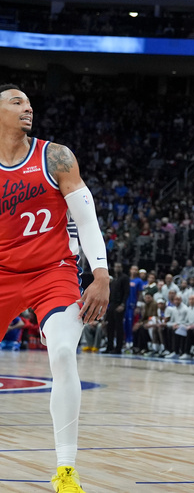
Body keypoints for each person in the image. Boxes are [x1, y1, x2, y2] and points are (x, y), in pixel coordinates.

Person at [0, 84, 111, 493]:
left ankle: (66, 470)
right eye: (16, 103)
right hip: (2, 272)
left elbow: (87, 220)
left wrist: (100, 274)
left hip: (53, 270)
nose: (28, 109)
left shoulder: (56, 156)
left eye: (30, 103)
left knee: (63, 352)